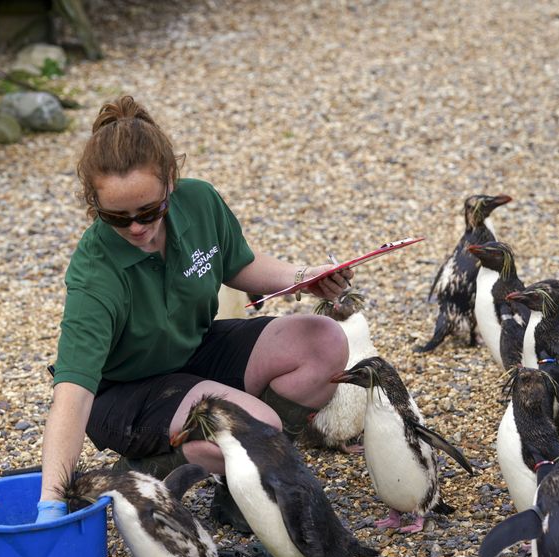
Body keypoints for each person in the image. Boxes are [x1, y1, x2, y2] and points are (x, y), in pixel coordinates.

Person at [37, 96, 352, 529]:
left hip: (192, 351)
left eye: (149, 210)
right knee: (254, 427)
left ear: (170, 180)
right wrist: (52, 502)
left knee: (323, 341)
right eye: (116, 217)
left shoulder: (199, 201)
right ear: (93, 202)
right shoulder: (95, 273)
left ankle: (242, 483)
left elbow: (239, 265)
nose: (136, 227)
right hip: (127, 393)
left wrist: (303, 275)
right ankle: (143, 472)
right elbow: (73, 395)